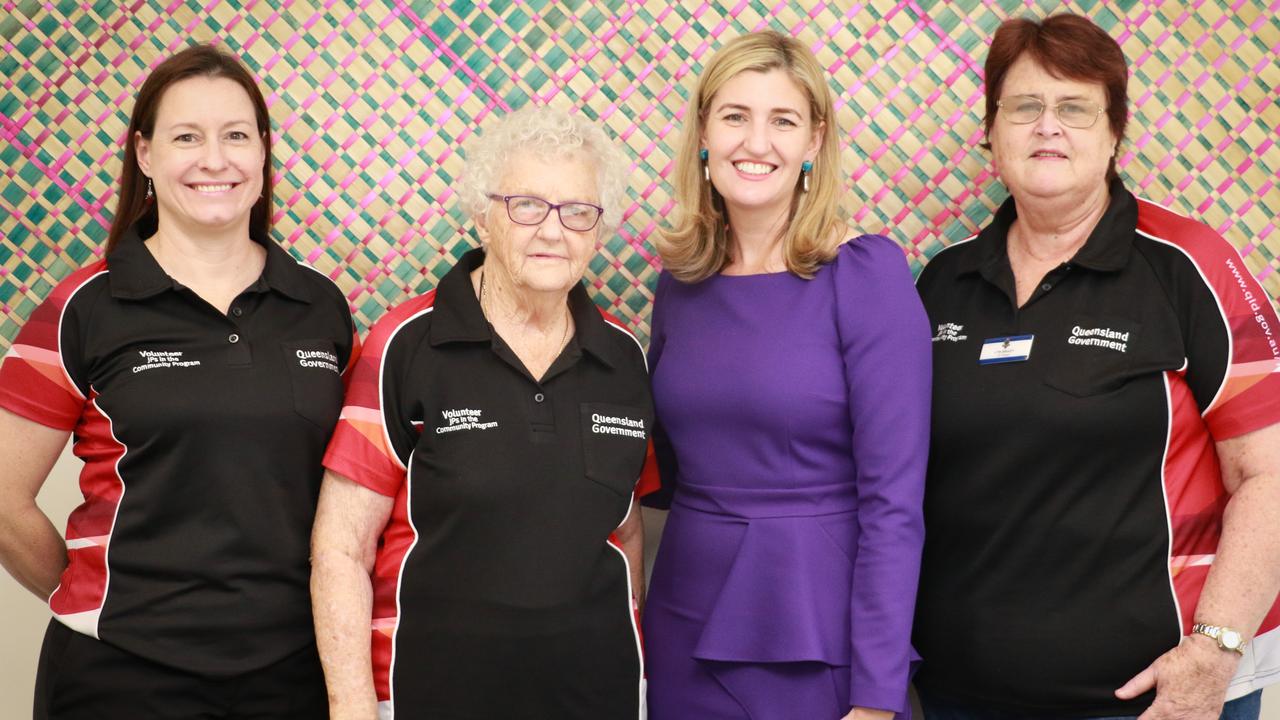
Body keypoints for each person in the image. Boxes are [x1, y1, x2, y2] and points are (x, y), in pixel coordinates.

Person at [912, 13, 1280, 720]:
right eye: (1025, 107)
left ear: (1115, 134)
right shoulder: (941, 282)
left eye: (1076, 108)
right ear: (991, 135)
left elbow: (1268, 473)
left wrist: (1215, 649)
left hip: (1152, 697)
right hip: (961, 694)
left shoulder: (1189, 266)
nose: (1048, 126)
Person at [0, 44, 357, 719]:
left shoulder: (321, 307)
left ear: (262, 152)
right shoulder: (84, 308)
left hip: (292, 672)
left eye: (235, 136)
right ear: (145, 154)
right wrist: (89, 600)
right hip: (122, 679)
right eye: (186, 137)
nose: (214, 160)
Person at [311, 104, 651, 719]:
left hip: (600, 695)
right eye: (526, 205)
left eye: (577, 212)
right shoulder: (405, 345)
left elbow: (624, 533)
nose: (553, 231)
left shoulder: (625, 360)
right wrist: (352, 706)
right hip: (430, 693)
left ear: (598, 233)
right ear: (481, 216)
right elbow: (341, 548)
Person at [640, 31, 932, 720]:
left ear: (814, 141)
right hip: (684, 616)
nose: (756, 142)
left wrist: (878, 695)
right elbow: (672, 472)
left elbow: (895, 504)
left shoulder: (867, 278)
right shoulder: (678, 286)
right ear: (704, 133)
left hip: (813, 625)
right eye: (735, 116)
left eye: (783, 120)